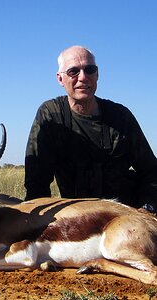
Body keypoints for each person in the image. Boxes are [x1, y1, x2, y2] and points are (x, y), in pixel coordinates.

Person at [25, 45, 157, 212]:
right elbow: (36, 184)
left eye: (89, 70)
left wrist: (147, 210)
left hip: (125, 215)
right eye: (73, 71)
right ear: (60, 79)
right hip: (78, 221)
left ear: (97, 74)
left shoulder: (120, 116)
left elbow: (151, 172)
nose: (83, 77)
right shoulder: (50, 115)